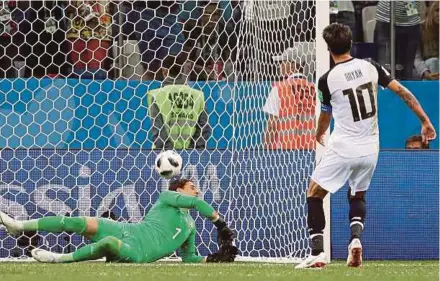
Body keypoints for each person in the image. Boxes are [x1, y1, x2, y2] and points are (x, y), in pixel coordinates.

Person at [296, 23, 436, 269]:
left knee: (314, 193)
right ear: (351, 44)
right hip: (371, 148)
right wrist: (424, 121)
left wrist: (319, 133)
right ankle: (355, 241)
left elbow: (325, 115)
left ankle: (317, 253)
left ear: (328, 48)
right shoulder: (371, 66)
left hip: (343, 146)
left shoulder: (327, 80)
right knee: (357, 194)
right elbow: (403, 92)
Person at [0, 179, 237, 263]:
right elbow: (197, 204)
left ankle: (59, 259)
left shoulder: (190, 227)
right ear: (178, 190)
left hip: (139, 251)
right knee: (77, 221)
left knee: (110, 244)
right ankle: (18, 226)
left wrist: (211, 259)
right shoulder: (166, 197)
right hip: (127, 229)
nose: (196, 192)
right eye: (192, 188)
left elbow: (188, 258)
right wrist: (220, 224)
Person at [148, 55, 211, 149]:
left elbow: (158, 130)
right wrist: (192, 152)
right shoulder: (198, 95)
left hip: (164, 156)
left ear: (164, 71)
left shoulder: (157, 95)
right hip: (191, 155)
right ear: (184, 71)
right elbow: (203, 128)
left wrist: (170, 152)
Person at [263, 44, 316, 150]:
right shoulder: (314, 89)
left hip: (285, 152)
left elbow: (272, 125)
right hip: (312, 151)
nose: (279, 66)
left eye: (283, 62)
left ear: (292, 65)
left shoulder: (279, 88)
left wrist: (264, 149)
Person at [374, 1, 423, 80]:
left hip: (411, 21)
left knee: (407, 69)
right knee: (383, 68)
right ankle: (383, 90)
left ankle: (406, 90)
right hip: (385, 19)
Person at [414, 1, 439, 80]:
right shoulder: (420, 28)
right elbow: (416, 57)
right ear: (431, 11)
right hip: (426, 67)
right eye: (437, 10)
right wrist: (426, 73)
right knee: (434, 61)